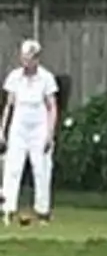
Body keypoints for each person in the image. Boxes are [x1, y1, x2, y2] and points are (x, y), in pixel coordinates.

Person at [3, 39, 59, 226]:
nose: (26, 62)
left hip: (39, 127)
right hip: (19, 127)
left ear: (37, 59)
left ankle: (42, 211)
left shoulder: (46, 78)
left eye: (30, 59)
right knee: (13, 167)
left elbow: (52, 107)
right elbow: (8, 106)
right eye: (24, 58)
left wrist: (50, 134)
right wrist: (2, 130)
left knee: (41, 168)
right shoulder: (14, 77)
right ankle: (8, 208)